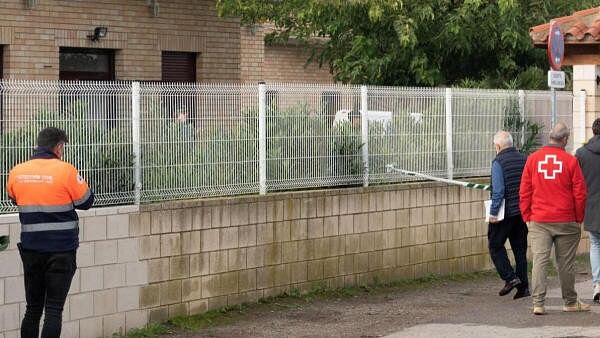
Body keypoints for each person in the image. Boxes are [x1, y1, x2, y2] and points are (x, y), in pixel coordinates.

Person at [6, 127, 94, 338]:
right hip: (62, 250)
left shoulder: (17, 171)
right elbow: (87, 201)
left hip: (32, 249)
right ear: (58, 147)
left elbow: (14, 198)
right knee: (53, 311)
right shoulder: (66, 171)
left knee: (33, 309)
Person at [520, 122, 589, 315]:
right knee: (565, 263)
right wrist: (578, 217)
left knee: (540, 260)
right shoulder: (570, 161)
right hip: (566, 219)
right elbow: (580, 193)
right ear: (565, 139)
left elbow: (525, 190)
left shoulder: (533, 160)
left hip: (539, 219)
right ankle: (570, 302)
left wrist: (527, 215)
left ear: (549, 137)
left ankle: (538, 303)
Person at [488, 131, 529, 299]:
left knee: (495, 245)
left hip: (504, 212)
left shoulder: (498, 162)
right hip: (521, 212)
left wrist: (493, 212)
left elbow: (498, 191)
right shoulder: (524, 159)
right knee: (520, 250)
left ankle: (510, 278)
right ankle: (523, 288)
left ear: (498, 146)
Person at [575, 117, 600, 302]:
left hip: (591, 208)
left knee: (595, 245)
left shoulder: (581, 153)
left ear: (593, 131)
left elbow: (576, 183)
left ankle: (597, 284)